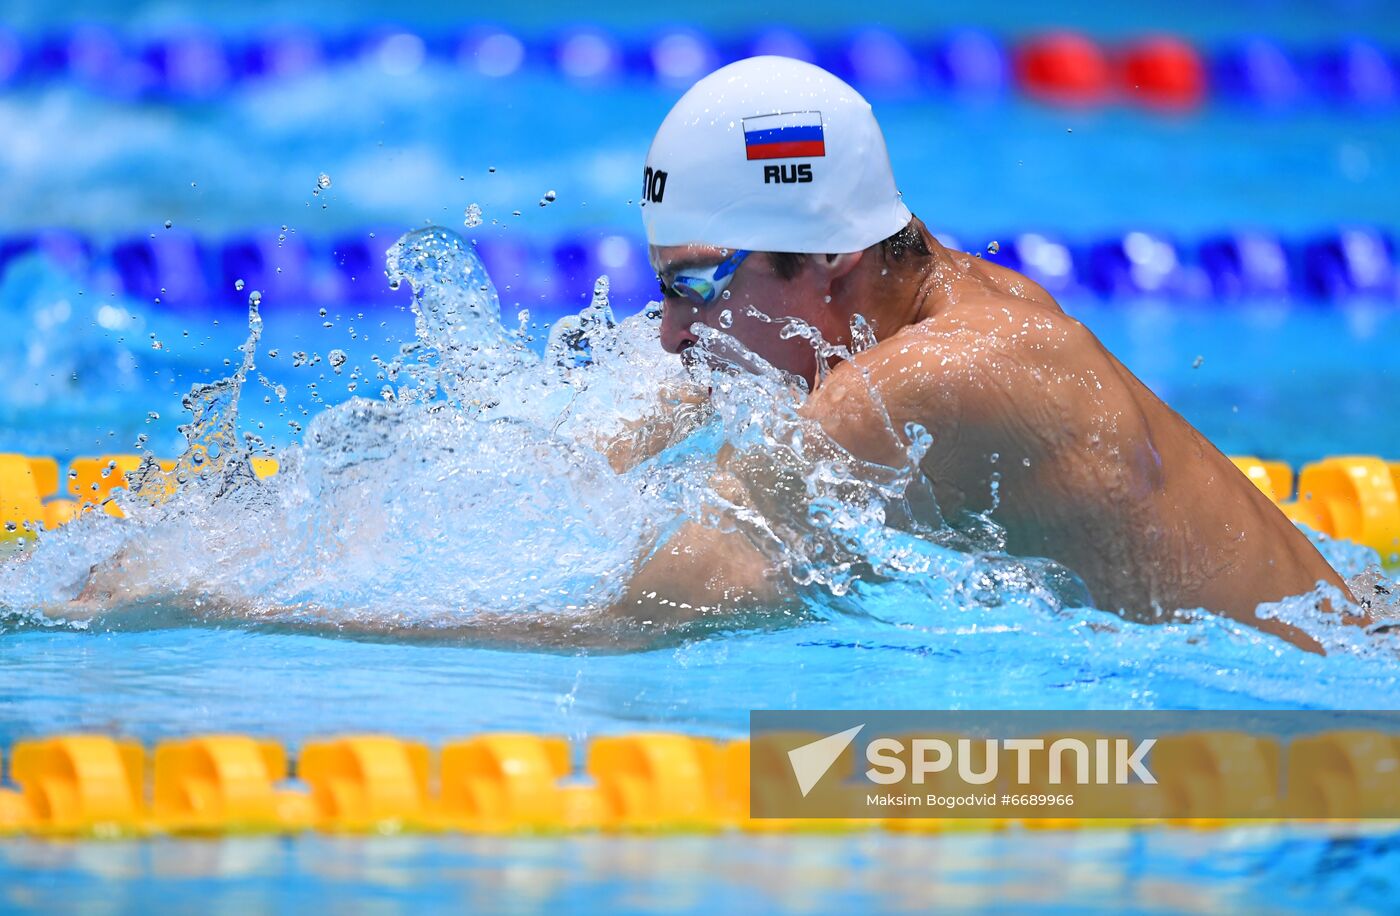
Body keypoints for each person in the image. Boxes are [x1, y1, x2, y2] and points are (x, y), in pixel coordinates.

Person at [614, 56, 1358, 651]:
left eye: (699, 284)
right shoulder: (975, 299)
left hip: (1325, 742)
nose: (673, 333)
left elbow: (645, 618)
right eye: (666, 290)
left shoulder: (929, 378)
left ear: (832, 252)